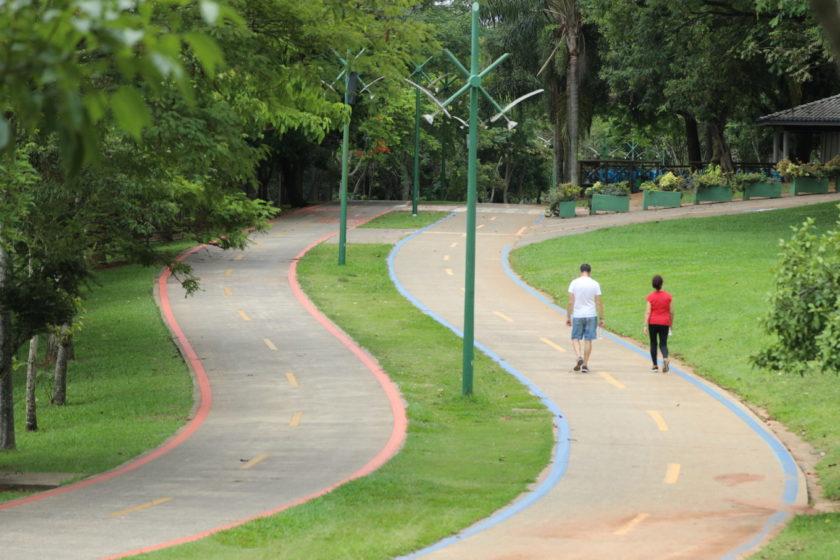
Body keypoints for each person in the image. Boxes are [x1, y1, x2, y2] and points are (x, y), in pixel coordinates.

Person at [566, 263, 604, 373]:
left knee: (575, 338)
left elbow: (570, 302)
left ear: (580, 271)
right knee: (588, 340)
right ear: (590, 272)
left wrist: (568, 316)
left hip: (578, 315)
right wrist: (602, 318)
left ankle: (579, 356)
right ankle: (585, 365)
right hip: (591, 314)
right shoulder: (595, 284)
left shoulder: (574, 283)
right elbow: (598, 302)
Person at [644, 274, 674, 372]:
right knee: (663, 343)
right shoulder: (668, 296)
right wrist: (671, 324)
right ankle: (665, 358)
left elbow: (648, 311)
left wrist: (645, 325)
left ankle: (655, 365)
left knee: (653, 343)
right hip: (664, 322)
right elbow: (671, 312)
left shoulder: (650, 297)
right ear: (662, 284)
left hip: (653, 322)